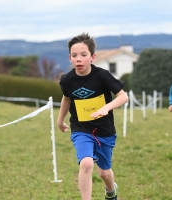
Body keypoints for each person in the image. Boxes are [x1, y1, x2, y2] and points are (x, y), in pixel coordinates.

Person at [57, 33, 128, 200]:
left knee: (104, 172)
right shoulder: (67, 80)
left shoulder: (102, 75)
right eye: (74, 56)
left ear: (93, 57)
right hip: (81, 128)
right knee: (86, 163)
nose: (78, 59)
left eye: (83, 55)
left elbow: (123, 97)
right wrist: (60, 120)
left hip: (105, 130)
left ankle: (111, 191)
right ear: (70, 58)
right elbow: (66, 98)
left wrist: (106, 108)